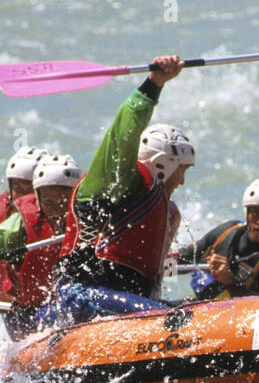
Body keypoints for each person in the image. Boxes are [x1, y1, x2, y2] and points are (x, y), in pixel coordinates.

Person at [47, 55, 192, 325]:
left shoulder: (167, 210)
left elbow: (160, 277)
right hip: (81, 295)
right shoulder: (116, 182)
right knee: (171, 319)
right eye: (182, 169)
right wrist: (154, 84)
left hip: (127, 303)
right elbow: (122, 135)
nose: (182, 180)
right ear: (164, 164)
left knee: (192, 308)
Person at [0, 155, 83, 339]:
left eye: (64, 203)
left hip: (71, 304)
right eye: (49, 203)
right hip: (26, 315)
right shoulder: (18, 226)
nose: (58, 212)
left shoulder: (87, 217)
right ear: (38, 198)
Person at [176, 179, 259, 300]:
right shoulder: (227, 231)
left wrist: (231, 282)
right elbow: (183, 259)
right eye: (255, 212)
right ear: (247, 213)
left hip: (240, 314)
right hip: (197, 305)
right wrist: (163, 263)